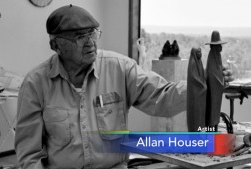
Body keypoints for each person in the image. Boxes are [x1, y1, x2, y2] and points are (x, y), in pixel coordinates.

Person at [14, 5, 233, 169]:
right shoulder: (35, 84)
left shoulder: (120, 68)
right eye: (80, 37)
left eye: (92, 33)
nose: (90, 42)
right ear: (56, 45)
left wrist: (201, 84)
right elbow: (29, 155)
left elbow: (162, 97)